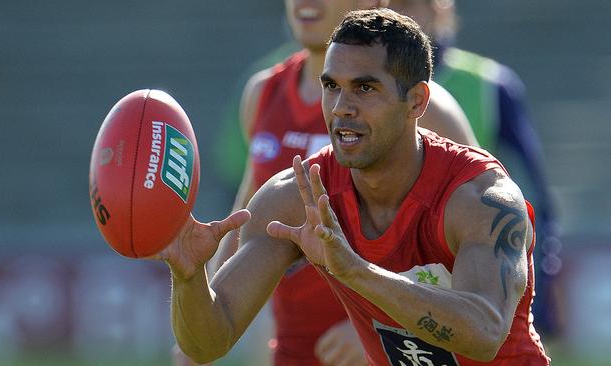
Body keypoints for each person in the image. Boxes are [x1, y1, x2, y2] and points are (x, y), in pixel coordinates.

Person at [157, 8, 549, 366]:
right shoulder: (295, 196)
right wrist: (189, 279)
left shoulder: (481, 198)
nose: (341, 106)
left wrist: (356, 272)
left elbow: (484, 335)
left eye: (365, 88)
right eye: (331, 87)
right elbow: (209, 341)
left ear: (417, 100)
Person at [386, 0, 561, 335]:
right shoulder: (349, 86)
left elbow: (532, 197)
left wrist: (536, 288)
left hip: (470, 270)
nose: (400, 14)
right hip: (388, 271)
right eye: (390, 5)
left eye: (409, 4)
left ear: (439, 7)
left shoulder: (490, 84)